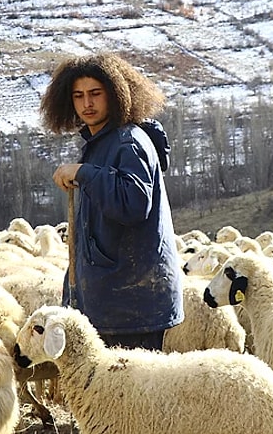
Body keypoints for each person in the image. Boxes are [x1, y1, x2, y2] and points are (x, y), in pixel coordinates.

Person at [40, 52, 184, 351]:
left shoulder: (127, 142)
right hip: (117, 299)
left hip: (130, 304)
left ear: (116, 94)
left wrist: (85, 174)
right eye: (78, 96)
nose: (86, 104)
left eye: (95, 93)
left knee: (129, 396)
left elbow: (132, 204)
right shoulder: (102, 142)